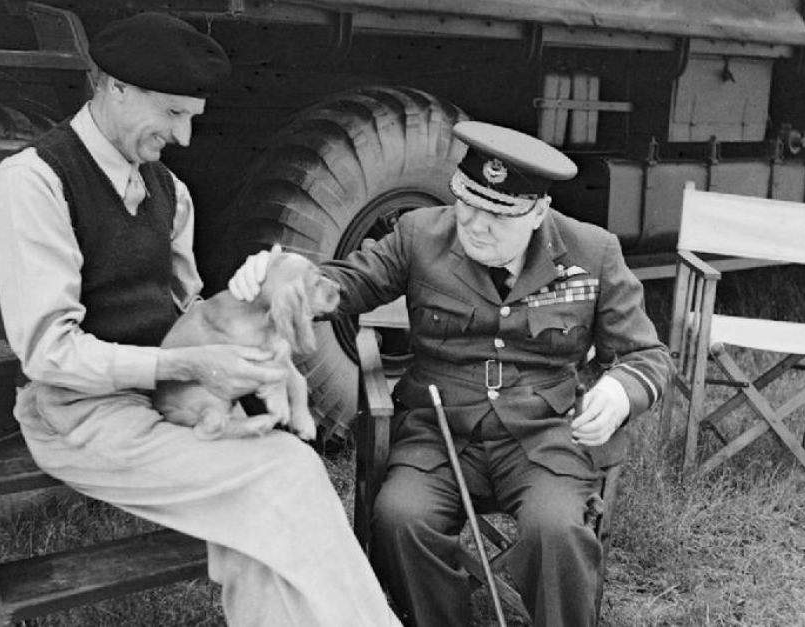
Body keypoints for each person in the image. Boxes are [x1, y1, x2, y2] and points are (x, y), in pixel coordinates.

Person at [0, 12, 400, 627]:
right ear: (114, 87)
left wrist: (254, 295)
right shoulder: (33, 185)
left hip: (177, 401)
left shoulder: (171, 191)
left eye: (192, 117)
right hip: (82, 416)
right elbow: (48, 353)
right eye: (172, 114)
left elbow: (190, 312)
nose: (183, 137)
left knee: (261, 531)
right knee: (283, 477)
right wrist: (190, 363)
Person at [229, 120, 670, 627]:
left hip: (541, 438)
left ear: (537, 212)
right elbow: (349, 282)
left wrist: (620, 389)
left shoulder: (592, 253)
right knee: (400, 518)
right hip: (439, 434)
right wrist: (281, 277)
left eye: (496, 214)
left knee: (557, 530)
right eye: (467, 202)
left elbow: (647, 355)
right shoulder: (420, 235)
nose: (474, 225)